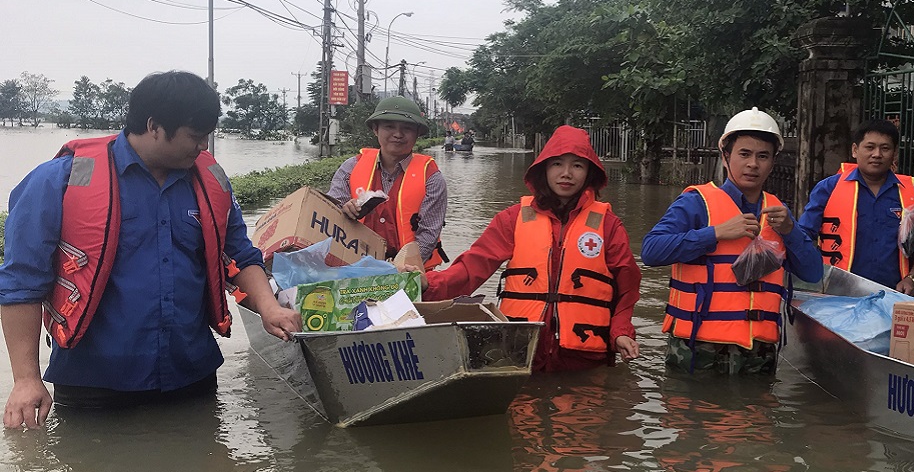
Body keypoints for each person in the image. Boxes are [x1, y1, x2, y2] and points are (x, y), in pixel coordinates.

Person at [0, 71, 300, 428]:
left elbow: (240, 253)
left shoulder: (210, 181)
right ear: (154, 126)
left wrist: (269, 308)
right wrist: (26, 379)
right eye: (195, 136)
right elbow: (21, 283)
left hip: (191, 377)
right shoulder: (60, 181)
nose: (203, 147)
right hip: (93, 385)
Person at [420, 125, 641, 373]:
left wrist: (621, 331)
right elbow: (473, 267)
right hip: (522, 351)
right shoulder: (512, 218)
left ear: (589, 172)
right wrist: (428, 284)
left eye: (577, 165)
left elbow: (628, 284)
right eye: (557, 164)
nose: (566, 173)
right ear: (544, 169)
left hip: (585, 358)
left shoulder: (608, 225)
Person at [642, 108, 823, 374]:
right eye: (744, 154)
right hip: (697, 348)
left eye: (763, 156)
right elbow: (651, 251)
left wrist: (790, 231)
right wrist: (715, 233)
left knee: (755, 415)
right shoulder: (696, 203)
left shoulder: (778, 212)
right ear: (726, 157)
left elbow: (813, 272)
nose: (753, 164)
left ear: (772, 163)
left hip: (758, 353)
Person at [798, 119, 914, 294]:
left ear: (894, 154)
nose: (877, 154)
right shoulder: (828, 188)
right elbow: (803, 236)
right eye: (870, 147)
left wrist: (912, 278)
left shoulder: (909, 193)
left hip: (893, 294)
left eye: (885, 148)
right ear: (855, 150)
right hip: (835, 294)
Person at [327, 95, 449, 269]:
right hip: (353, 268)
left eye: (407, 128)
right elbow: (329, 213)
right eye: (389, 126)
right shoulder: (351, 167)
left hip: (409, 272)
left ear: (417, 134)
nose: (398, 134)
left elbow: (428, 235)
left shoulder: (431, 178)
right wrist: (344, 209)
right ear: (376, 129)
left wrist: (399, 270)